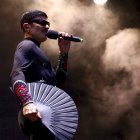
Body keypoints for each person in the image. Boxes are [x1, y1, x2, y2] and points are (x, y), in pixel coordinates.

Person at [10, 10, 72, 140]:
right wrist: (27, 102)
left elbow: (58, 85)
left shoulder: (38, 52)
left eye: (48, 23)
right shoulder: (26, 46)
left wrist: (64, 53)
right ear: (27, 27)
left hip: (44, 112)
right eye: (42, 22)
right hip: (34, 111)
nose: (48, 27)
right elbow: (16, 73)